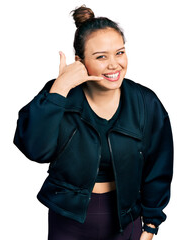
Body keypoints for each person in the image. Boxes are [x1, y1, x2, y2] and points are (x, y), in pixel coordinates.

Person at [13, 5, 173, 240]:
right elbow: (36, 150)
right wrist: (60, 88)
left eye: (120, 53)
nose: (114, 64)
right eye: (101, 57)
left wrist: (150, 225)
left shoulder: (145, 103)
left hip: (125, 220)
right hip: (68, 219)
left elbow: (159, 165)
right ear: (80, 61)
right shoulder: (57, 96)